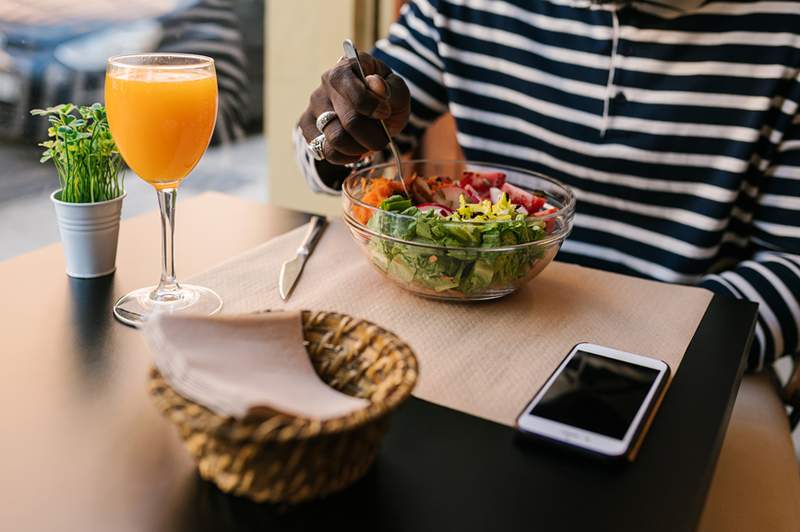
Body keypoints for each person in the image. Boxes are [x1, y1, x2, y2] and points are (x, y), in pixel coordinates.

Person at [294, 0, 800, 372]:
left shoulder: (783, 31)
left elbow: (791, 265)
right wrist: (332, 132)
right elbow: (325, 154)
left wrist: (654, 350)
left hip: (675, 356)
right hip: (478, 325)